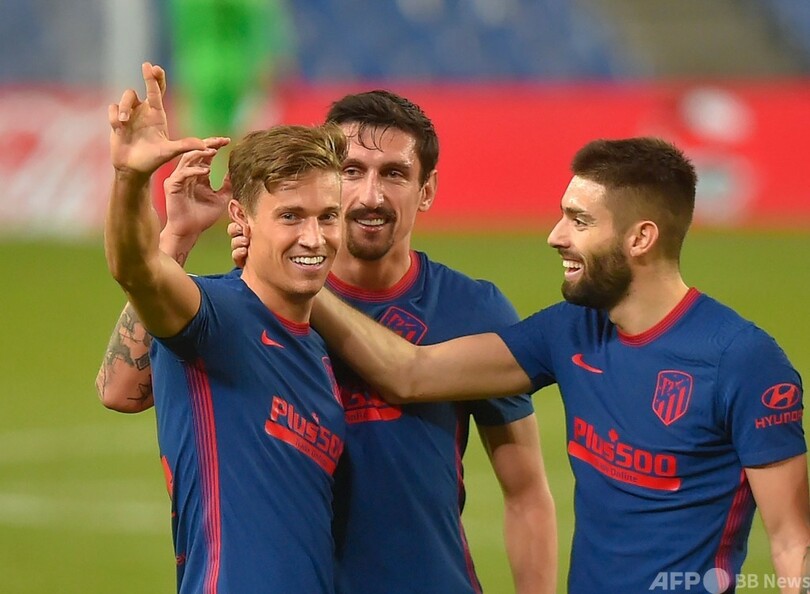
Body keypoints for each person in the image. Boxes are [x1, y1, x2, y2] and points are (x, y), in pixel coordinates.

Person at [97, 90, 557, 593]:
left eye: (394, 174)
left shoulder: (472, 310)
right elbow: (121, 387)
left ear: (426, 190)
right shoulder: (246, 309)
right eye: (353, 171)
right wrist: (172, 234)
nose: (371, 196)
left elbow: (526, 492)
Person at [307, 137, 810, 593]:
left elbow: (792, 541)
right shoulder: (571, 329)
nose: (555, 236)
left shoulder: (742, 361)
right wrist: (305, 279)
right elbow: (411, 374)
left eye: (580, 221)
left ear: (640, 239)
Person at [105, 62, 347, 593]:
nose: (314, 237)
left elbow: (118, 389)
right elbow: (137, 270)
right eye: (290, 216)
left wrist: (176, 239)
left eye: (328, 216)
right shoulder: (216, 315)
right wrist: (131, 180)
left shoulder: (322, 350)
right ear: (242, 218)